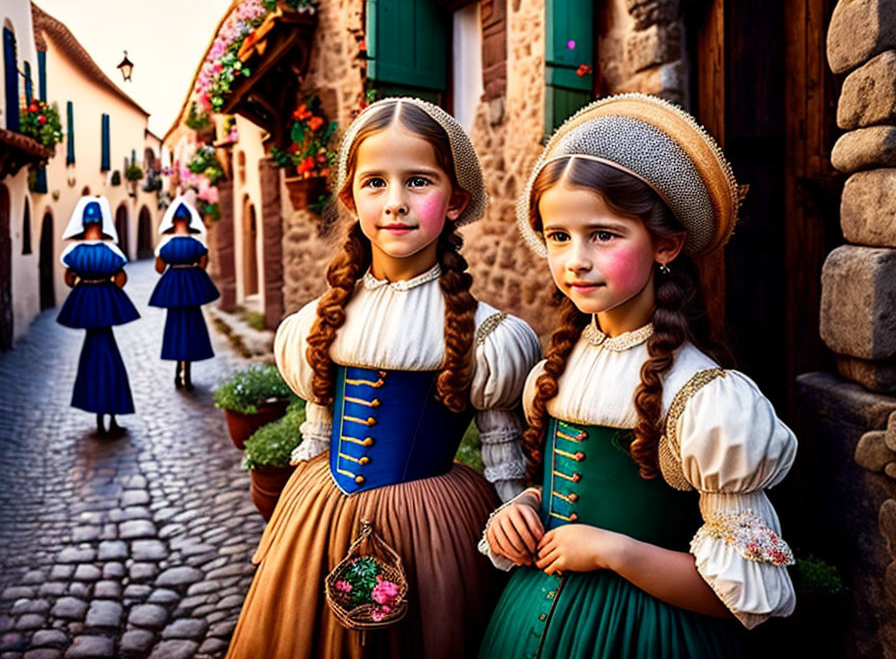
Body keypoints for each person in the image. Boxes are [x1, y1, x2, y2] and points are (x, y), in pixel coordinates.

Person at [477, 94, 798, 658]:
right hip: (530, 613)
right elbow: (572, 492)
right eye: (559, 236)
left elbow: (746, 597)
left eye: (603, 234)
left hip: (648, 631)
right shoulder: (556, 369)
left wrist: (613, 551)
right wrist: (525, 508)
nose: (575, 258)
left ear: (666, 245)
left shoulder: (705, 398)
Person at [226, 98, 541, 659]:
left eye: (418, 181)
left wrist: (511, 530)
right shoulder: (320, 320)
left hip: (433, 528)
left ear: (455, 202)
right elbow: (318, 431)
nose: (395, 203)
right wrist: (293, 523)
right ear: (350, 199)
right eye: (375, 183)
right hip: (325, 509)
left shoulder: (487, 336)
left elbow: (502, 455)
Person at [57, 196, 139, 436]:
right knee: (111, 360)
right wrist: (108, 291)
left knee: (91, 360)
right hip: (105, 304)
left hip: (88, 306)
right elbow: (121, 277)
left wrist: (84, 287)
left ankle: (99, 415)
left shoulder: (74, 252)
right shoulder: (111, 251)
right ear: (102, 223)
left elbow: (70, 279)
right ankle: (111, 413)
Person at [148, 196, 219, 390]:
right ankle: (186, 373)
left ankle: (176, 372)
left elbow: (159, 269)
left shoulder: (166, 246)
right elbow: (203, 266)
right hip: (192, 293)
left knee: (175, 331)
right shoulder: (198, 246)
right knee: (192, 332)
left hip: (173, 293)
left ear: (173, 223)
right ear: (189, 222)